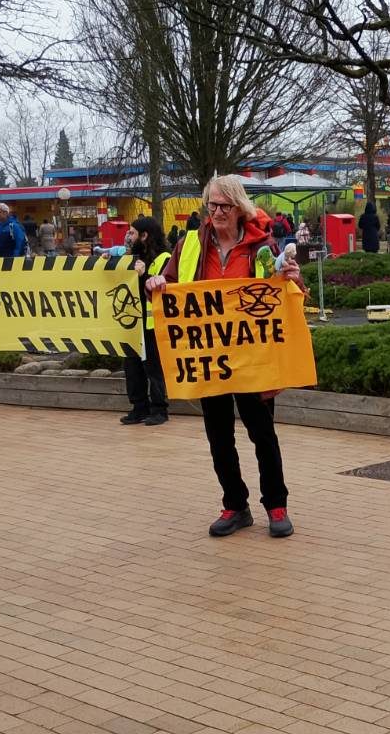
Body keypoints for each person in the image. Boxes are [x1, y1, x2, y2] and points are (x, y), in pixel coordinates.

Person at [145, 175, 305, 539]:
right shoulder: (189, 244)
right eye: (212, 205)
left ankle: (276, 505)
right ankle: (235, 505)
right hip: (209, 357)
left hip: (253, 359)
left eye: (224, 206)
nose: (216, 212)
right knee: (219, 437)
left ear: (239, 207)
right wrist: (157, 283)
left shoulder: (261, 247)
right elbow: (170, 282)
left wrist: (293, 279)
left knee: (262, 434)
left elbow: (281, 293)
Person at [120, 216, 171, 427]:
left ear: (144, 235)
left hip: (153, 325)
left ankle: (159, 409)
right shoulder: (133, 258)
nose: (128, 237)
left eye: (132, 233)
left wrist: (142, 275)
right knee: (132, 367)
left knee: (153, 368)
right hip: (132, 323)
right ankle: (139, 407)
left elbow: (161, 290)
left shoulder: (164, 259)